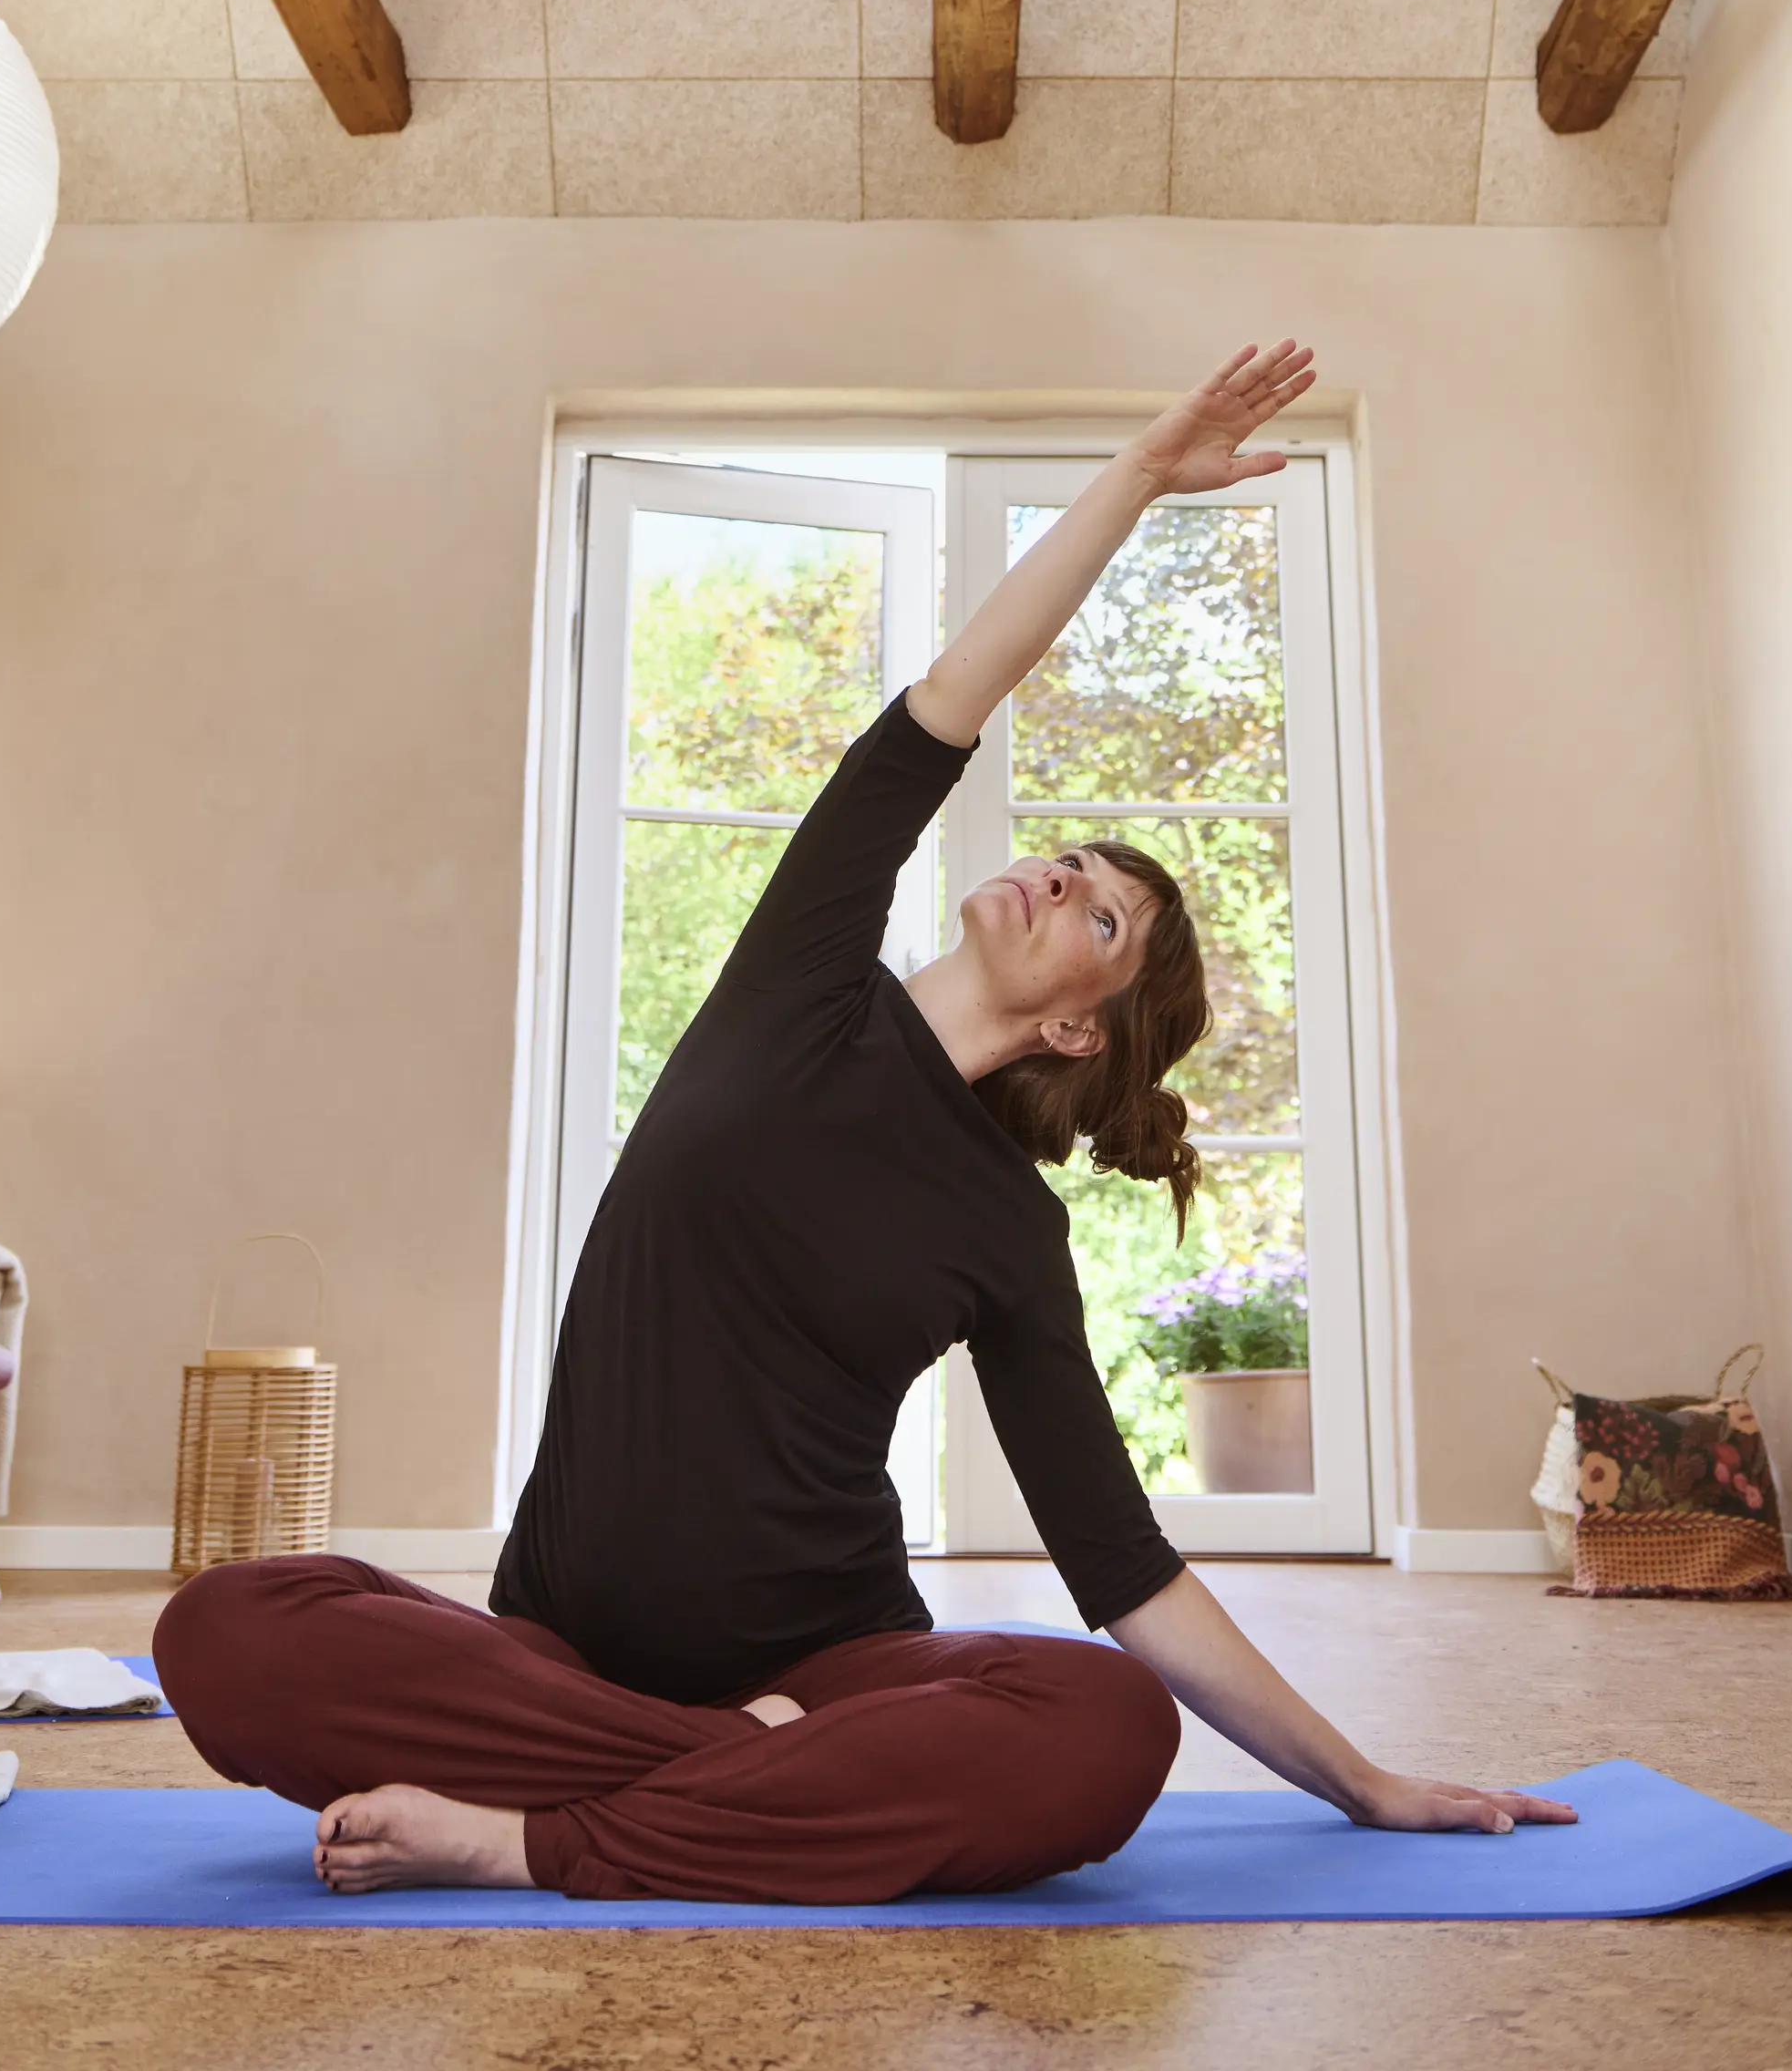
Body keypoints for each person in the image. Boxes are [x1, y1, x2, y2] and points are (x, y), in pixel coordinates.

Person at [155, 342, 1574, 1901]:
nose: (1063, 879)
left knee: (1104, 1727)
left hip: (828, 1666)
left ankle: (531, 1835)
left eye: (1102, 917)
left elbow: (1122, 1569)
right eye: (1074, 862)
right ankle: (720, 1775)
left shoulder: (1007, 1230)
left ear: (1077, 1026)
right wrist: (1135, 479)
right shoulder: (800, 984)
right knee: (225, 1631)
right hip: (556, 1653)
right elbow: (950, 700)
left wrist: (1360, 1782)